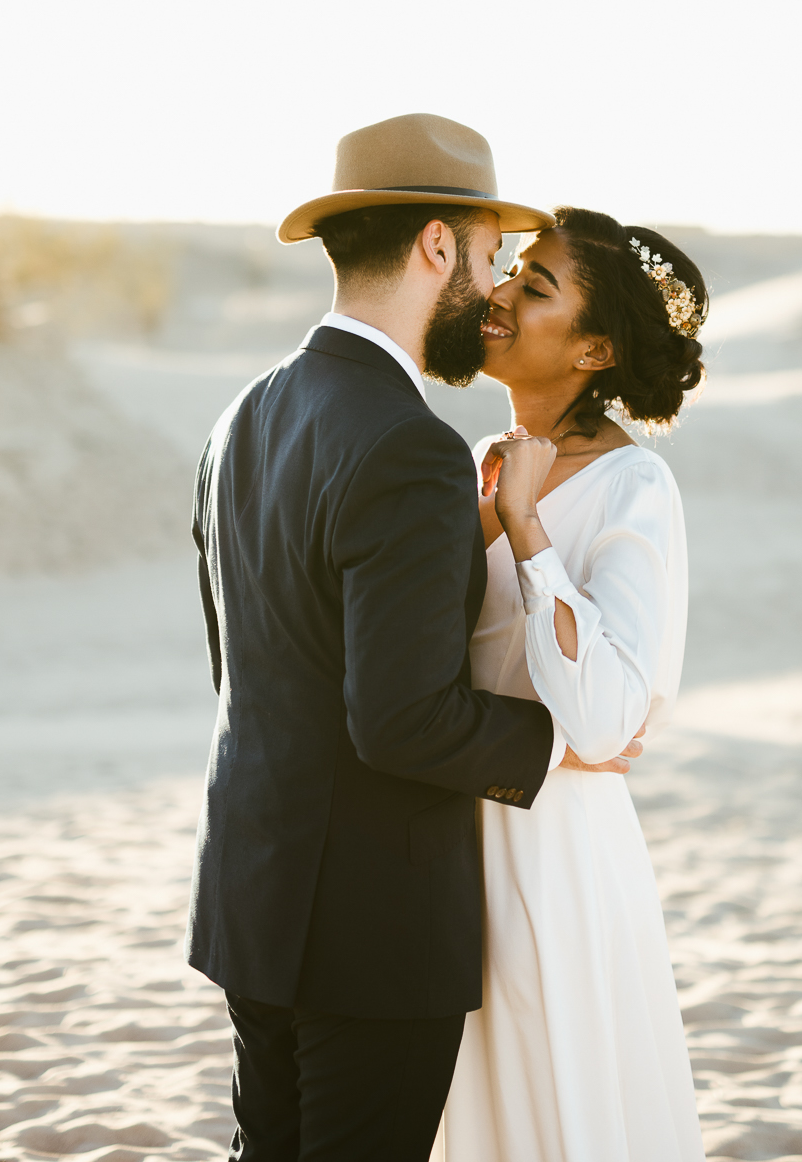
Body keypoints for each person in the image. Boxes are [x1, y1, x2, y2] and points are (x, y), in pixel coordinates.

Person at [184, 115, 640, 1162]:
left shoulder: (239, 421)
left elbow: (261, 659)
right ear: (437, 246)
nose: (491, 292)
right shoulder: (407, 444)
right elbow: (398, 720)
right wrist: (568, 745)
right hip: (370, 930)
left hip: (253, 899)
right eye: (489, 259)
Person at [435, 208, 710, 1161]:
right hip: (439, 841)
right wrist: (482, 514)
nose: (501, 292)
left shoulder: (636, 487)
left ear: (594, 348)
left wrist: (526, 526)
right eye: (510, 271)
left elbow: (601, 721)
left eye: (534, 286)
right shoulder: (473, 466)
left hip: (552, 849)